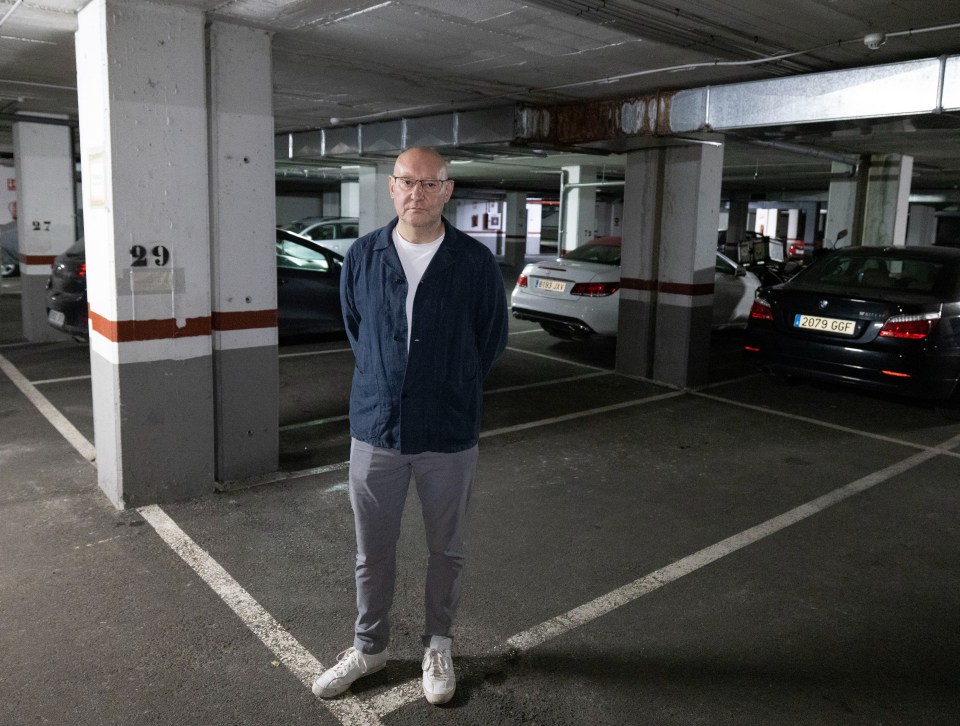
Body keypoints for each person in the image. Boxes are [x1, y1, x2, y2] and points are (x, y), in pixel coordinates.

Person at [312, 147, 509, 705]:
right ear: (391, 189)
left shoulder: (473, 262)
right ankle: (368, 646)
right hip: (377, 428)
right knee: (371, 550)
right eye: (406, 182)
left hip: (448, 433)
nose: (416, 193)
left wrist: (451, 384)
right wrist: (386, 377)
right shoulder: (363, 255)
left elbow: (490, 339)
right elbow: (357, 328)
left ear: (447, 191)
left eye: (429, 183)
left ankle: (438, 643)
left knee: (446, 548)